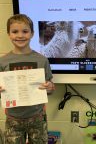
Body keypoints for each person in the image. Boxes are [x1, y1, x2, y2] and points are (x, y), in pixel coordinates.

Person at [0, 14, 55, 144]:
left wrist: (50, 87)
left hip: (37, 117)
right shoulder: (3, 61)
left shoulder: (42, 60)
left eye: (25, 31)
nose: (20, 35)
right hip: (13, 118)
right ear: (8, 34)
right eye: (15, 32)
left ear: (32, 34)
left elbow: (50, 87)